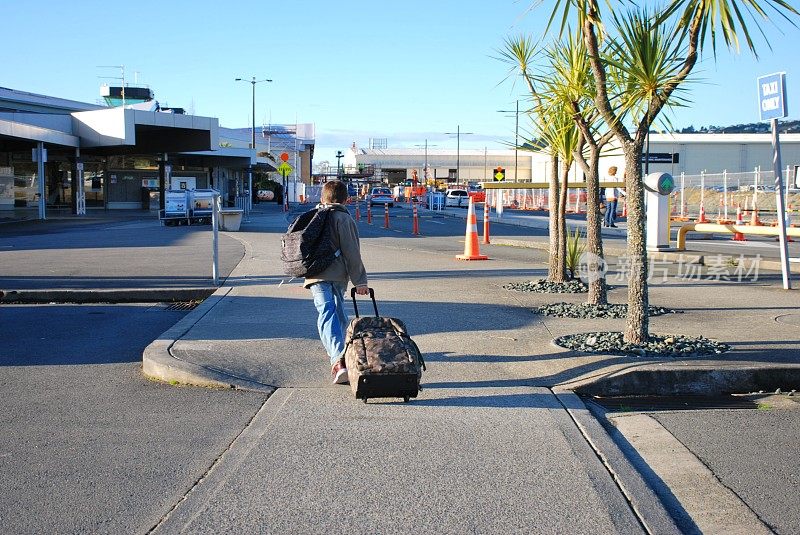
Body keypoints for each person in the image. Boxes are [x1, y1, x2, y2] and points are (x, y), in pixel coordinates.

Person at [304, 180, 369, 384]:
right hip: (338, 274)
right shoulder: (343, 218)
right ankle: (339, 360)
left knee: (326, 311)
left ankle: (339, 356)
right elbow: (352, 252)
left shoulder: (312, 217)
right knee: (338, 311)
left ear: (323, 197)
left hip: (314, 274)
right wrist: (360, 280)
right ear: (346, 199)